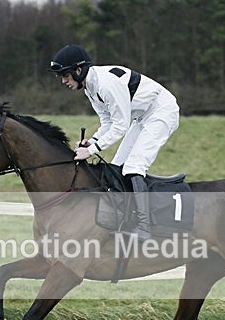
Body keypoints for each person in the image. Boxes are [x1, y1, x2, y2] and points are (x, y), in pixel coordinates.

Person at [48, 44, 180, 241]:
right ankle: (123, 219)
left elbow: (120, 126)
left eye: (65, 75)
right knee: (116, 167)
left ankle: (144, 227)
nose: (63, 80)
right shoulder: (90, 88)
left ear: (78, 70)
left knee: (134, 167)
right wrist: (91, 141)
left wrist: (91, 150)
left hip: (162, 112)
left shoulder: (106, 85)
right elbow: (108, 122)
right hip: (142, 116)